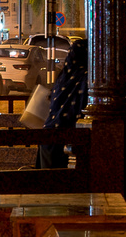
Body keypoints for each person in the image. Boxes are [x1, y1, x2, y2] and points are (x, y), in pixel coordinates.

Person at [36, 38, 88, 169]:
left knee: (49, 180)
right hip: (67, 138)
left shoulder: (64, 76)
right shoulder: (87, 79)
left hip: (49, 137)